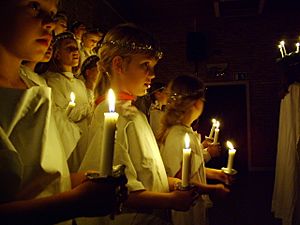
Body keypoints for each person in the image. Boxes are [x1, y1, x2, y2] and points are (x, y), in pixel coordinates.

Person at [0, 1, 125, 224]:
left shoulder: (33, 86)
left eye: (52, 14)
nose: (49, 23)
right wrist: (74, 203)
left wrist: (80, 180)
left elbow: (38, 180)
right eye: (34, 7)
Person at [79, 23, 198, 225]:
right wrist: (171, 200)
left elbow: (144, 173)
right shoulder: (112, 115)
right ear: (118, 64)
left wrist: (170, 183)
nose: (152, 75)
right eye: (145, 65)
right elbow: (117, 190)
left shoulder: (133, 112)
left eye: (153, 67)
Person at [157, 75, 230, 225]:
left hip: (193, 203)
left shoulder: (185, 131)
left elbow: (191, 169)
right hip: (185, 210)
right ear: (196, 103)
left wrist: (217, 174)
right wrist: (212, 189)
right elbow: (181, 181)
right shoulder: (179, 136)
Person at [43, 31, 93, 172]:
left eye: (76, 48)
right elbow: (65, 114)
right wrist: (90, 108)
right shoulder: (52, 81)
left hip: (85, 139)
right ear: (57, 54)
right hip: (70, 143)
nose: (75, 51)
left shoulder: (79, 84)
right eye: (69, 48)